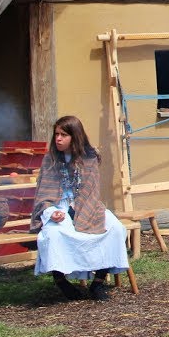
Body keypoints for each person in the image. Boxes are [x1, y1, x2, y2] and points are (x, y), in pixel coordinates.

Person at [29, 115, 130, 301]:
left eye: (63, 135)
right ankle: (62, 282)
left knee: (114, 229)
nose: (58, 138)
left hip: (88, 206)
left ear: (75, 137)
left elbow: (91, 191)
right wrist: (52, 212)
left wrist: (83, 208)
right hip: (59, 207)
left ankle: (98, 283)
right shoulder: (50, 160)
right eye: (56, 134)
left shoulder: (90, 157)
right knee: (54, 235)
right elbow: (44, 194)